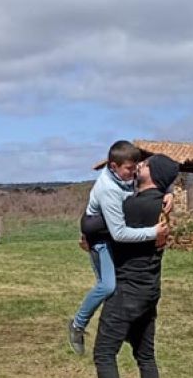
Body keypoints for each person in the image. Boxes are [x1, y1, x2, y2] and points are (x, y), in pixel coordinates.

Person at [74, 154, 180, 378]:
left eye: (145, 165)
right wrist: (170, 192)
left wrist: (88, 236)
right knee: (145, 355)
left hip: (127, 291)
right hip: (149, 291)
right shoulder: (158, 204)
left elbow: (91, 225)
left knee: (104, 354)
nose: (139, 166)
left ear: (153, 175)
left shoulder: (133, 206)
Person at [68, 140, 170, 355]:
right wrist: (154, 232)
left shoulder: (125, 176)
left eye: (136, 167)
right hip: (101, 241)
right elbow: (120, 233)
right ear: (114, 166)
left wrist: (169, 192)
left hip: (111, 237)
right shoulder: (108, 189)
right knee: (107, 286)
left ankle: (124, 328)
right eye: (129, 169)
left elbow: (154, 180)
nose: (134, 173)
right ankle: (77, 324)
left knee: (124, 284)